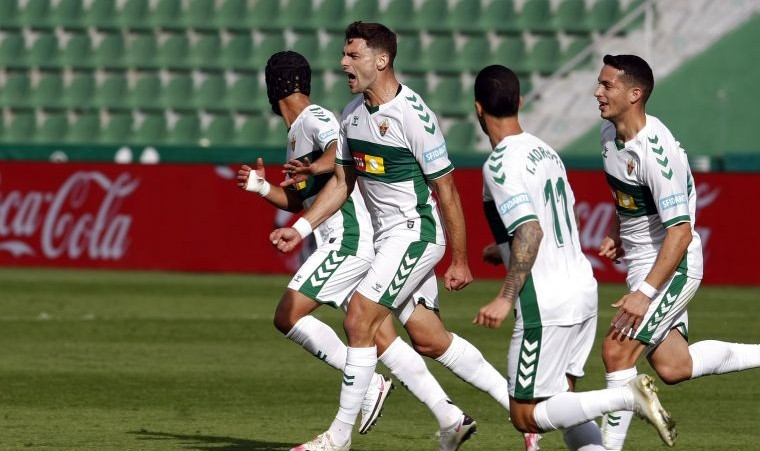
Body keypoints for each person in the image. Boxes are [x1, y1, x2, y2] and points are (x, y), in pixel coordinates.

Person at [271, 23, 525, 451]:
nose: (343, 63)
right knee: (428, 338)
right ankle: (515, 412)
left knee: (358, 318)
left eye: (352, 55)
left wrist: (459, 259)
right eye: (345, 54)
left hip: (415, 234)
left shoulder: (413, 115)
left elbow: (446, 189)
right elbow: (341, 183)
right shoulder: (352, 114)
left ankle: (338, 437)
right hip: (386, 240)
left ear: (381, 60)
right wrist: (300, 228)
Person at [240, 50, 474, 441]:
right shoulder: (296, 131)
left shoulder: (314, 118)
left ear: (273, 85)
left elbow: (337, 152)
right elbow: (299, 199)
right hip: (355, 239)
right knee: (378, 338)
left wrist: (317, 166)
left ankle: (365, 393)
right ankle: (447, 414)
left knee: (288, 315)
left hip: (347, 239)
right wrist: (262, 187)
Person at [471, 64, 678, 450]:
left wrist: (505, 297)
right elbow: (547, 220)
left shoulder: (498, 165)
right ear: (518, 102)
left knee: (525, 415)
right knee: (565, 404)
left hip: (546, 303)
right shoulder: (545, 150)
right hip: (582, 289)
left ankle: (627, 397)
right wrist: (501, 249)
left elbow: (532, 231)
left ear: (478, 109)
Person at [594, 54, 760, 451]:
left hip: (674, 267)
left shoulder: (656, 152)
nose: (597, 93)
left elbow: (681, 234)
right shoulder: (609, 135)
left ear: (635, 94)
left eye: (607, 85)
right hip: (643, 263)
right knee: (673, 367)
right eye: (599, 84)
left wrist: (644, 293)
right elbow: (629, 196)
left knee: (616, 353)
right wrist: (618, 231)